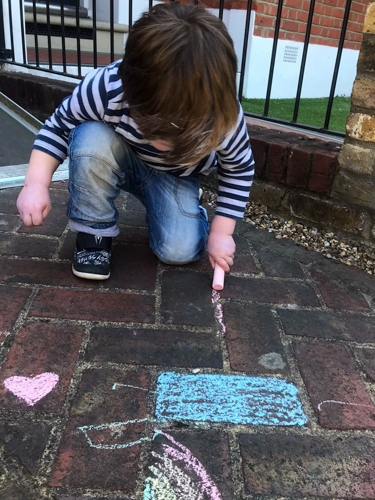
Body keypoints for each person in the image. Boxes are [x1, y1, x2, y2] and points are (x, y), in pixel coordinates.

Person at [17, 1, 254, 280]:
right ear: (130, 88)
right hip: (114, 154)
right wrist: (35, 183)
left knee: (178, 251)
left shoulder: (225, 116)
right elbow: (58, 127)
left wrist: (221, 232)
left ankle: (190, 208)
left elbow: (238, 169)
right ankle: (93, 233)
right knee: (90, 136)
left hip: (174, 175)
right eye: (155, 127)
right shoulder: (106, 87)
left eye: (182, 133)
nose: (165, 142)